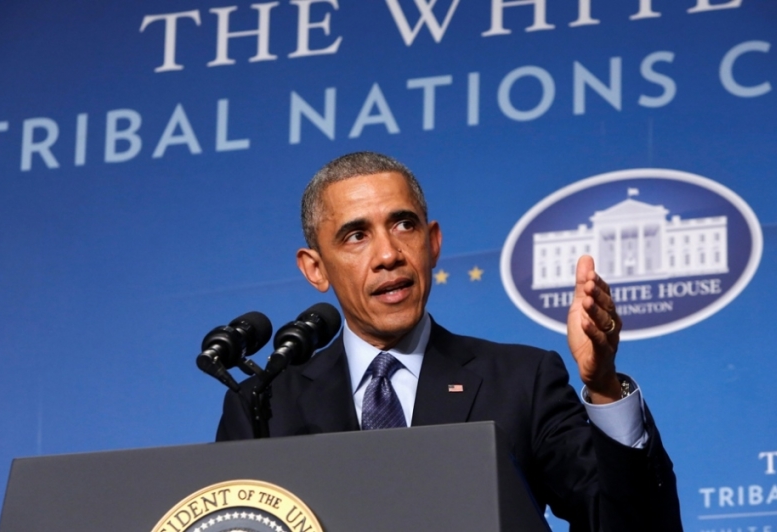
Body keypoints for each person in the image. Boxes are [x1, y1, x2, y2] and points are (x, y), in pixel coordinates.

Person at [217, 152, 683, 531]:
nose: (388, 254)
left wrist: (603, 387)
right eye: (356, 235)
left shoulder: (521, 380)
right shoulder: (266, 405)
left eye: (404, 225)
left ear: (433, 242)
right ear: (315, 268)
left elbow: (629, 526)